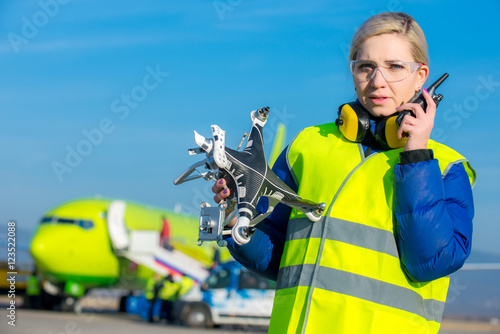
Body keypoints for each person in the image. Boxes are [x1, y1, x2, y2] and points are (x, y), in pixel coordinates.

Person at [212, 12, 475, 334]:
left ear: (421, 76)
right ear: (353, 73)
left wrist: (417, 156)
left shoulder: (447, 167)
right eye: (366, 67)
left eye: (394, 67)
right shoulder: (307, 147)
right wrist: (236, 215)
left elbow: (430, 261)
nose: (378, 81)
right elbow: (277, 258)